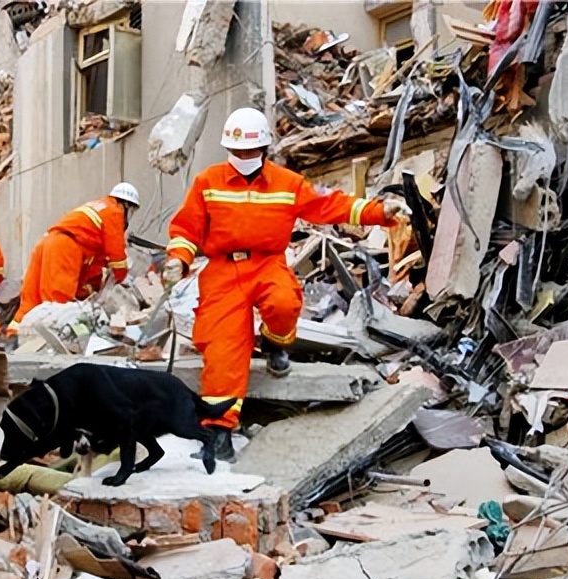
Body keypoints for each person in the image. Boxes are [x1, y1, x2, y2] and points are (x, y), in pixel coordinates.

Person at [162, 108, 410, 462]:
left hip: (267, 264)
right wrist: (177, 260)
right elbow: (186, 228)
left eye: (250, 152)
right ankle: (219, 433)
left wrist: (377, 212)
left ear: (263, 148)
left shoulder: (286, 183)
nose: (244, 159)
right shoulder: (209, 182)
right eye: (238, 153)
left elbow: (327, 205)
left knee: (284, 303)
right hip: (222, 272)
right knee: (222, 353)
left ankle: (275, 344)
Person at [6, 182, 140, 337]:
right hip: (66, 248)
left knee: (32, 297)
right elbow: (116, 253)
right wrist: (121, 276)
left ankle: (14, 334)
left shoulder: (97, 208)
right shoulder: (114, 211)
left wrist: (91, 288)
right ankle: (51, 342)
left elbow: (95, 262)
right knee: (58, 303)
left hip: (47, 242)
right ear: (127, 205)